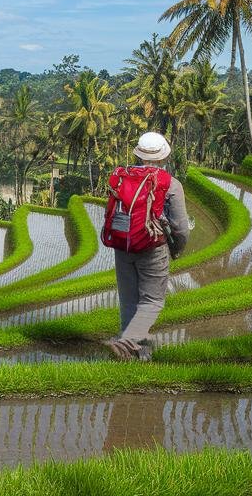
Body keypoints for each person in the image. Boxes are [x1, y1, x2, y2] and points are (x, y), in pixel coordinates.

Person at [100, 131, 190, 362]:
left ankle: (134, 355)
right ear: (162, 157)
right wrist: (177, 249)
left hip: (123, 246)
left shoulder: (123, 176)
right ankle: (126, 341)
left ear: (139, 155)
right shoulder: (170, 184)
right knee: (152, 301)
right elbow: (181, 227)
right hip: (152, 247)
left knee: (129, 301)